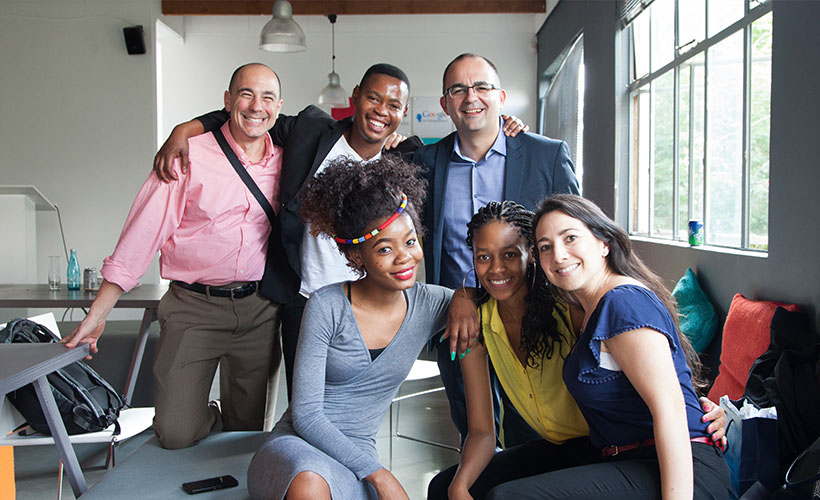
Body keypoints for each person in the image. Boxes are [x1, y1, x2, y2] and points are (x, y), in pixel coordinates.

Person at [152, 64, 526, 400]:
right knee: (305, 403)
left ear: (403, 114)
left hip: (367, 306)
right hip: (304, 300)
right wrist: (184, 130)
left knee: (355, 403)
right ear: (355, 97)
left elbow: (470, 138)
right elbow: (249, 116)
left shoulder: (406, 157)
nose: (381, 110)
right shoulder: (310, 131)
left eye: (393, 105)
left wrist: (509, 125)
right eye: (373, 98)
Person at [428, 201, 727, 500]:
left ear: (604, 242)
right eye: (546, 246)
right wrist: (462, 294)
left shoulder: (608, 304)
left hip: (665, 461)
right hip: (613, 452)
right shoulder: (588, 305)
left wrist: (705, 410)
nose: (558, 254)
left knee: (507, 497)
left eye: (570, 238)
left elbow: (671, 404)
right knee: (444, 487)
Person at [63, 63, 286, 449]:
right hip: (192, 307)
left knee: (247, 435)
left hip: (259, 310)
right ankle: (207, 413)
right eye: (246, 94)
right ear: (227, 101)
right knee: (176, 432)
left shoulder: (287, 159)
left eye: (267, 97)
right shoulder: (186, 154)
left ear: (279, 107)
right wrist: (97, 315)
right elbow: (140, 236)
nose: (256, 106)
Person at [246, 155, 452, 500]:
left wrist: (463, 298)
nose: (404, 257)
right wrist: (379, 475)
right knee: (309, 483)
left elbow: (490, 298)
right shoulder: (326, 304)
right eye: (384, 248)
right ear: (356, 257)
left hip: (355, 458)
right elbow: (307, 415)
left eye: (411, 241)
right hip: (298, 449)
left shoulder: (432, 303)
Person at [413, 53, 580, 445]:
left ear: (501, 96)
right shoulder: (425, 163)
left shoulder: (546, 155)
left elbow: (577, 236)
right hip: (458, 319)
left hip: (536, 318)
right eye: (458, 89)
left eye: (482, 86)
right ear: (445, 104)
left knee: (535, 432)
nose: (471, 97)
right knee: (473, 428)